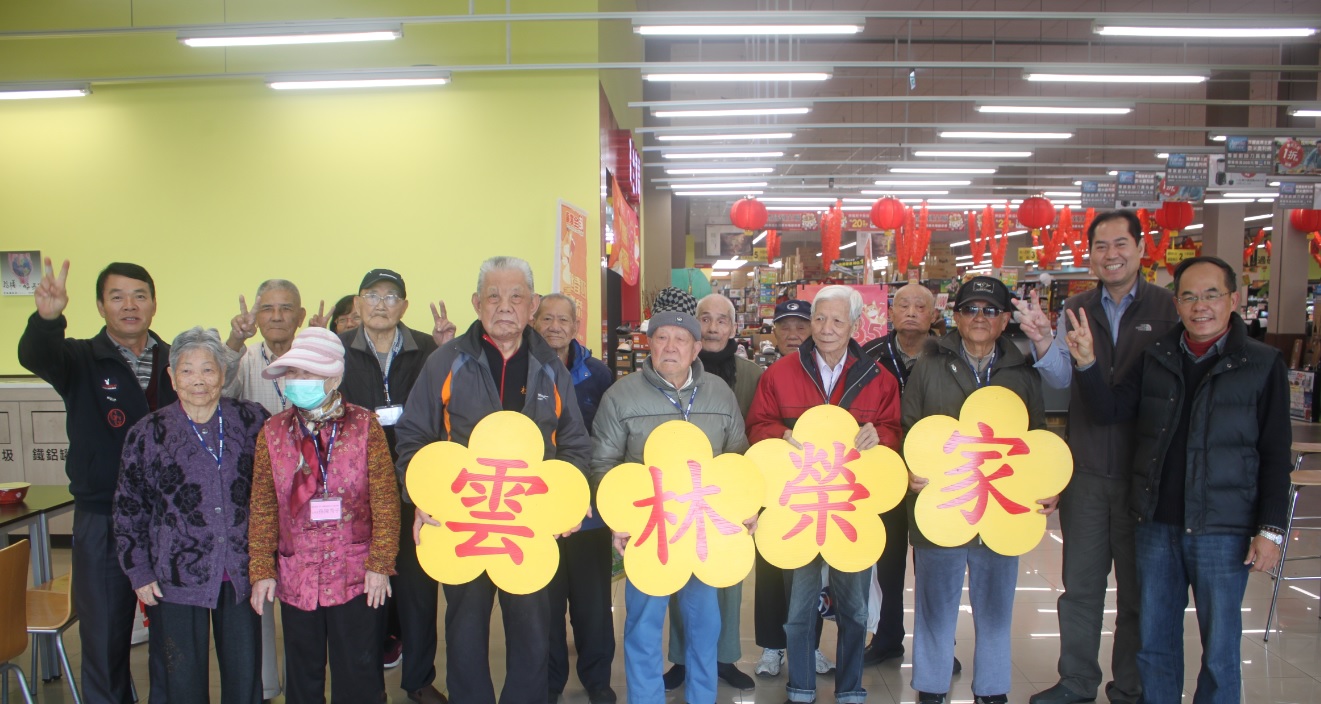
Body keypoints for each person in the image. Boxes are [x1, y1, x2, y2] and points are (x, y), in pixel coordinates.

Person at [1063, 256, 1290, 704]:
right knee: (1155, 643)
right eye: (1188, 296)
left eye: (1211, 295)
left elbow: (1276, 452)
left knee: (1222, 649)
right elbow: (1110, 411)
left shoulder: (1262, 364)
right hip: (1156, 526)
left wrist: (1270, 529)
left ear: (1233, 299)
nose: (1199, 306)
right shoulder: (1158, 355)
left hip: (1223, 529)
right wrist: (1087, 363)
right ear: (1177, 302)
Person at [395, 256, 592, 704]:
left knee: (532, 629)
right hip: (464, 522)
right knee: (464, 629)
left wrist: (571, 498)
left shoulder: (549, 367)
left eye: (516, 296)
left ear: (532, 305)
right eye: (494, 296)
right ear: (476, 303)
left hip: (527, 524)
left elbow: (576, 443)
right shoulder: (447, 361)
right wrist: (420, 495)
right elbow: (412, 436)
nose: (505, 306)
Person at [1016, 210, 1179, 704]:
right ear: (1089, 254)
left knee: (1137, 594)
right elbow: (1064, 380)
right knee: (1080, 589)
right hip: (1085, 472)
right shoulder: (1076, 306)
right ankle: (1077, 681)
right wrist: (1045, 338)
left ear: (1139, 248)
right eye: (1101, 246)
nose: (1111, 254)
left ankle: (1129, 686)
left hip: (1142, 477)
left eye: (1120, 244)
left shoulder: (1167, 309)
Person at [18, 259, 178, 704]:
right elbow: (35, 355)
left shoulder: (175, 359)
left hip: (168, 520)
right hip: (102, 516)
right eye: (117, 296)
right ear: (100, 305)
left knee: (172, 640)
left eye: (139, 295)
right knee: (104, 634)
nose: (130, 305)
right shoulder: (78, 358)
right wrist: (47, 319)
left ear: (153, 304)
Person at [902, 276, 1058, 704]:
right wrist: (908, 471)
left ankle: (992, 689)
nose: (979, 318)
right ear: (955, 315)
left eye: (990, 310)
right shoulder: (931, 364)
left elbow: (1038, 436)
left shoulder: (1022, 371)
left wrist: (1048, 485)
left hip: (1002, 508)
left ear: (1006, 319)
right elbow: (908, 428)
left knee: (995, 609)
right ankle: (931, 687)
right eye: (970, 309)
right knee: (936, 606)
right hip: (943, 506)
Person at [746, 285, 903, 704]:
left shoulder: (878, 377)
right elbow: (757, 427)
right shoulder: (778, 375)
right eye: (819, 319)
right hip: (798, 506)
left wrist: (881, 435)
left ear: (854, 325)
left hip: (850, 509)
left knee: (854, 609)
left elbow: (895, 431)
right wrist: (781, 433)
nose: (826, 329)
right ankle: (800, 686)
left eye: (837, 320)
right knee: (798, 609)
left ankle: (850, 686)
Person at [591, 310, 753, 704]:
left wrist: (746, 508)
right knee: (644, 625)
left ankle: (702, 697)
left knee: (704, 623)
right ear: (649, 343)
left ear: (697, 347)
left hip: (703, 529)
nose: (671, 347)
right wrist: (617, 519)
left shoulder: (718, 393)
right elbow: (602, 463)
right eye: (662, 338)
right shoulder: (621, 395)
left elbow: (738, 458)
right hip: (650, 529)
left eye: (681, 340)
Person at [114, 327, 268, 703]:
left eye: (208, 369)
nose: (198, 380)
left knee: (245, 675)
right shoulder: (149, 432)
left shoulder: (252, 421)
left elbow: (273, 493)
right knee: (179, 676)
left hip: (241, 571)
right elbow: (128, 507)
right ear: (171, 376)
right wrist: (139, 570)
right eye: (187, 370)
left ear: (223, 374)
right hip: (174, 575)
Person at [248, 327, 400, 704]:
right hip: (298, 572)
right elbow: (264, 504)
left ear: (333, 377)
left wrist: (380, 563)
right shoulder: (273, 431)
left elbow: (384, 499)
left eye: (309, 373)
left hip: (356, 573)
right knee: (303, 670)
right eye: (294, 373)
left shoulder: (364, 425)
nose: (298, 381)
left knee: (358, 669)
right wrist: (261, 569)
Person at [336, 268, 448, 702]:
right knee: (362, 589)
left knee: (418, 592)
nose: (381, 304)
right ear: (359, 303)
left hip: (414, 488)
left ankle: (419, 679)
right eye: (372, 296)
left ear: (404, 305)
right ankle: (365, 683)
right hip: (354, 494)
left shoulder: (428, 351)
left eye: (391, 297)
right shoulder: (338, 350)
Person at [660, 293, 763, 692]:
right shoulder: (677, 367)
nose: (715, 326)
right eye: (706, 318)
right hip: (682, 489)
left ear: (733, 328)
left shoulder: (752, 374)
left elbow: (758, 429)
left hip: (731, 490)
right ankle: (683, 660)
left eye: (723, 320)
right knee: (681, 577)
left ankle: (725, 658)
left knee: (729, 579)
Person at [221, 278, 308, 700]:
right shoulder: (242, 360)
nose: (276, 316)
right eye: (267, 308)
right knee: (260, 585)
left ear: (301, 316)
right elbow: (216, 391)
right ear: (256, 316)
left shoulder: (313, 361)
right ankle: (266, 683)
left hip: (308, 497)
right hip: (254, 493)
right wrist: (234, 340)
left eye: (285, 308)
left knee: (301, 591)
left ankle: (301, 683)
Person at [533, 293, 617, 704]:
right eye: (546, 318)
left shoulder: (598, 374)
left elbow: (608, 439)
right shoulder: (524, 369)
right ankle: (549, 684)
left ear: (575, 324)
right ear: (535, 322)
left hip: (589, 512)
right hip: (537, 509)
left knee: (593, 604)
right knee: (545, 605)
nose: (554, 326)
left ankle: (597, 680)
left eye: (562, 319)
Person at [859, 282, 942, 667]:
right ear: (890, 314)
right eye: (903, 305)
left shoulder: (947, 357)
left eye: (920, 306)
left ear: (934, 315)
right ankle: (888, 637)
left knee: (936, 565)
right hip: (885, 473)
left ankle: (937, 648)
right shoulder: (869, 357)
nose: (911, 312)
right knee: (887, 560)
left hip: (938, 476)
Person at [752, 298, 825, 678]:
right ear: (775, 333)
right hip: (775, 490)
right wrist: (782, 433)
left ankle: (809, 646)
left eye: (801, 326)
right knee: (770, 571)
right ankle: (771, 647)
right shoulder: (770, 375)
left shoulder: (823, 374)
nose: (794, 334)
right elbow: (757, 426)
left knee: (812, 571)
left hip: (818, 490)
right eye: (786, 327)